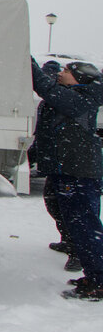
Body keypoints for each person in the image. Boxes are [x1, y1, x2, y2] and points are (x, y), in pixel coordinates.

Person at [30, 57, 103, 300]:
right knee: (79, 227)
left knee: (85, 228)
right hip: (70, 172)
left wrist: (28, 60)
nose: (61, 73)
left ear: (79, 76)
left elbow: (46, 88)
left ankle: (99, 281)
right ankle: (94, 275)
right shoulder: (77, 95)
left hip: (77, 174)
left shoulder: (83, 98)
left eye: (66, 70)